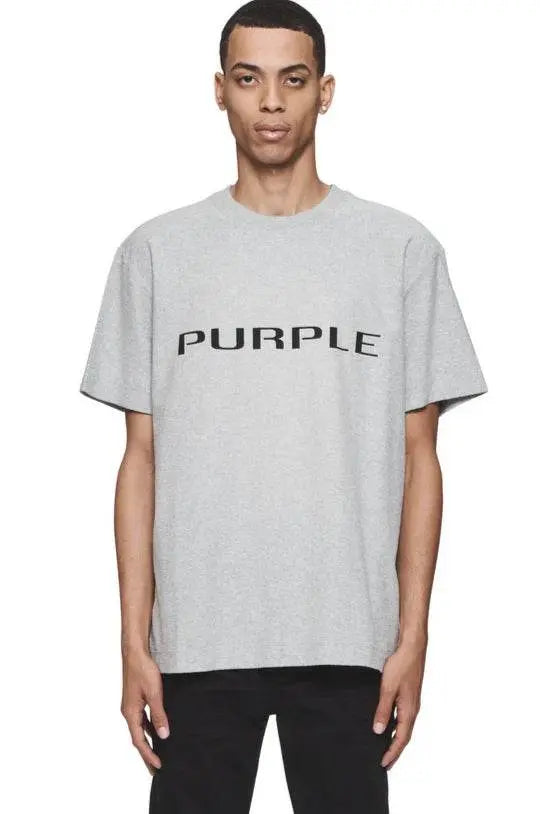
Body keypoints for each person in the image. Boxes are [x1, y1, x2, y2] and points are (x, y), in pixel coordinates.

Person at [78, 1, 488, 811]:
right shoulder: (156, 252)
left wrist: (412, 638)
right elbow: (140, 459)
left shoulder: (399, 250)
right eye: (248, 78)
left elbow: (420, 457)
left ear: (324, 92)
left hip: (348, 638)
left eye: (293, 80)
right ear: (219, 91)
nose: (271, 101)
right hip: (195, 640)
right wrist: (132, 642)